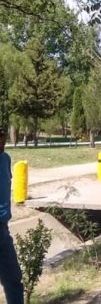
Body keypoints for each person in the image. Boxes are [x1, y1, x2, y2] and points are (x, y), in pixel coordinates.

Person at [0, 129, 23, 304]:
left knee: (13, 278)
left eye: (3, 139)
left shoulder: (5, 158)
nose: (2, 143)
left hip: (3, 228)